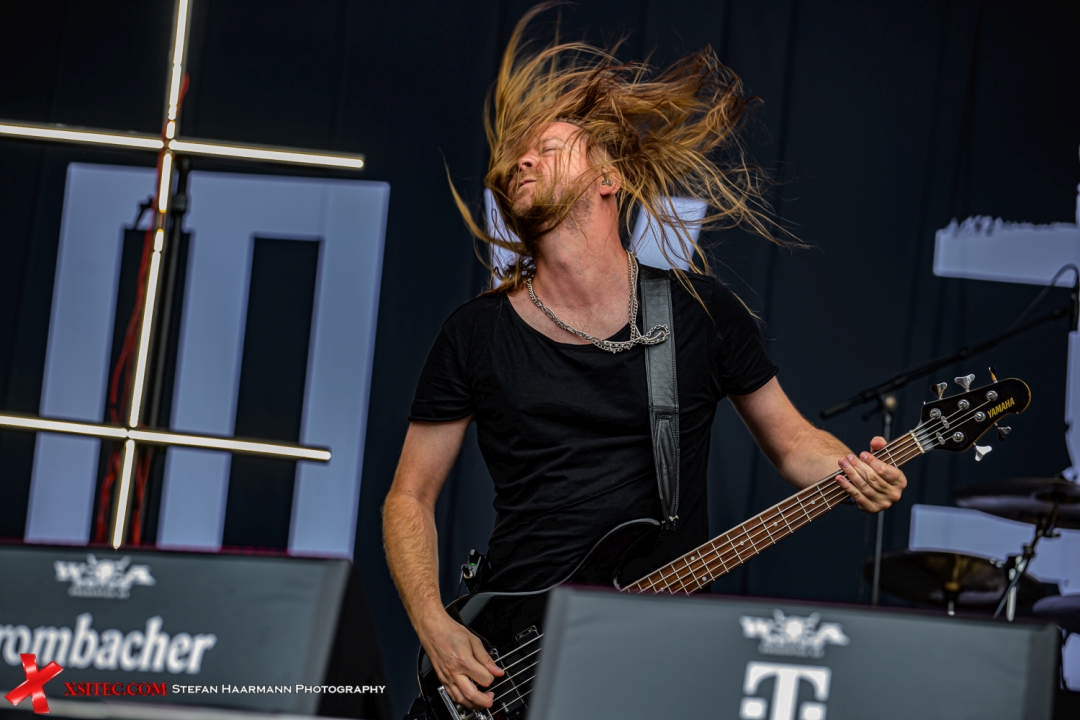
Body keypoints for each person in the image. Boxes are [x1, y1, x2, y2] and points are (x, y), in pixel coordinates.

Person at [382, 5, 907, 713]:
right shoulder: (474, 333)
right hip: (507, 653)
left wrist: (850, 467)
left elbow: (792, 444)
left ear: (609, 179)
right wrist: (434, 625)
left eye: (550, 148)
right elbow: (409, 497)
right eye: (519, 156)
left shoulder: (698, 313)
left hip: (657, 649)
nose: (523, 161)